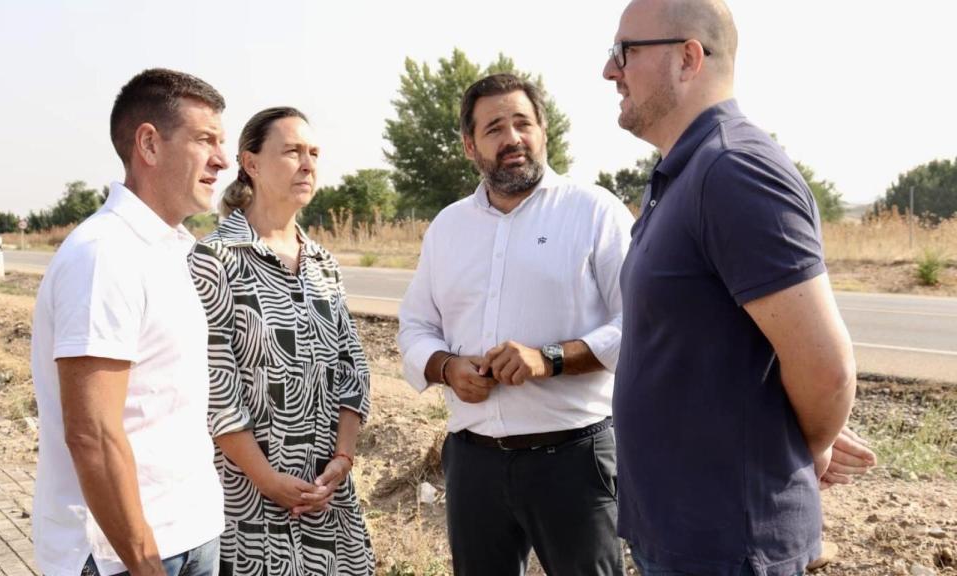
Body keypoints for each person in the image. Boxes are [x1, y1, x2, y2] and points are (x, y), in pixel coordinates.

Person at [603, 1, 858, 574]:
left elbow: (828, 369)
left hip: (727, 545)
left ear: (688, 58)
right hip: (680, 534)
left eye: (624, 52)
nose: (609, 71)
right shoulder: (681, 173)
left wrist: (804, 446)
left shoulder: (734, 170)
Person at [398, 73, 635, 576]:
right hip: (472, 462)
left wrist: (550, 359)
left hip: (574, 458)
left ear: (543, 130)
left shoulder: (594, 211)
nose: (512, 139)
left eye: (523, 123)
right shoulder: (448, 227)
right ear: (469, 145)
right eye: (494, 128)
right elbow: (415, 326)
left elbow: (639, 323)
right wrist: (444, 367)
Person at [30, 68, 228, 576]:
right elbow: (92, 433)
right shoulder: (104, 256)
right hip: (124, 556)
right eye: (205, 139)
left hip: (187, 534)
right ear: (150, 144)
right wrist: (143, 561)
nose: (221, 160)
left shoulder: (167, 250)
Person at [187, 107, 375, 576]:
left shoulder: (324, 265)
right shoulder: (214, 259)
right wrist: (269, 481)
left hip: (326, 500)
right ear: (250, 163)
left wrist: (343, 458)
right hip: (248, 508)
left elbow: (352, 368)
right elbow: (215, 389)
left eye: (313, 153)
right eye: (292, 151)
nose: (308, 163)